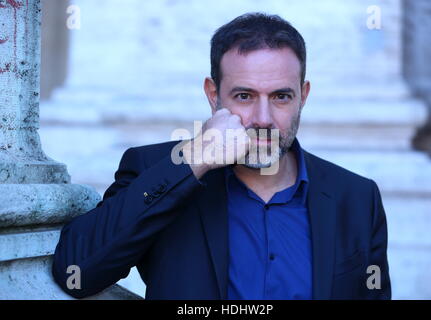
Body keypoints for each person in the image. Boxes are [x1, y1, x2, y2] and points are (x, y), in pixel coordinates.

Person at [52, 13, 391, 300]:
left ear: (303, 95)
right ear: (213, 95)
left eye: (281, 97)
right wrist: (194, 159)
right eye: (244, 96)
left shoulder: (358, 197)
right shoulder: (155, 168)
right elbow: (75, 272)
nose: (263, 118)